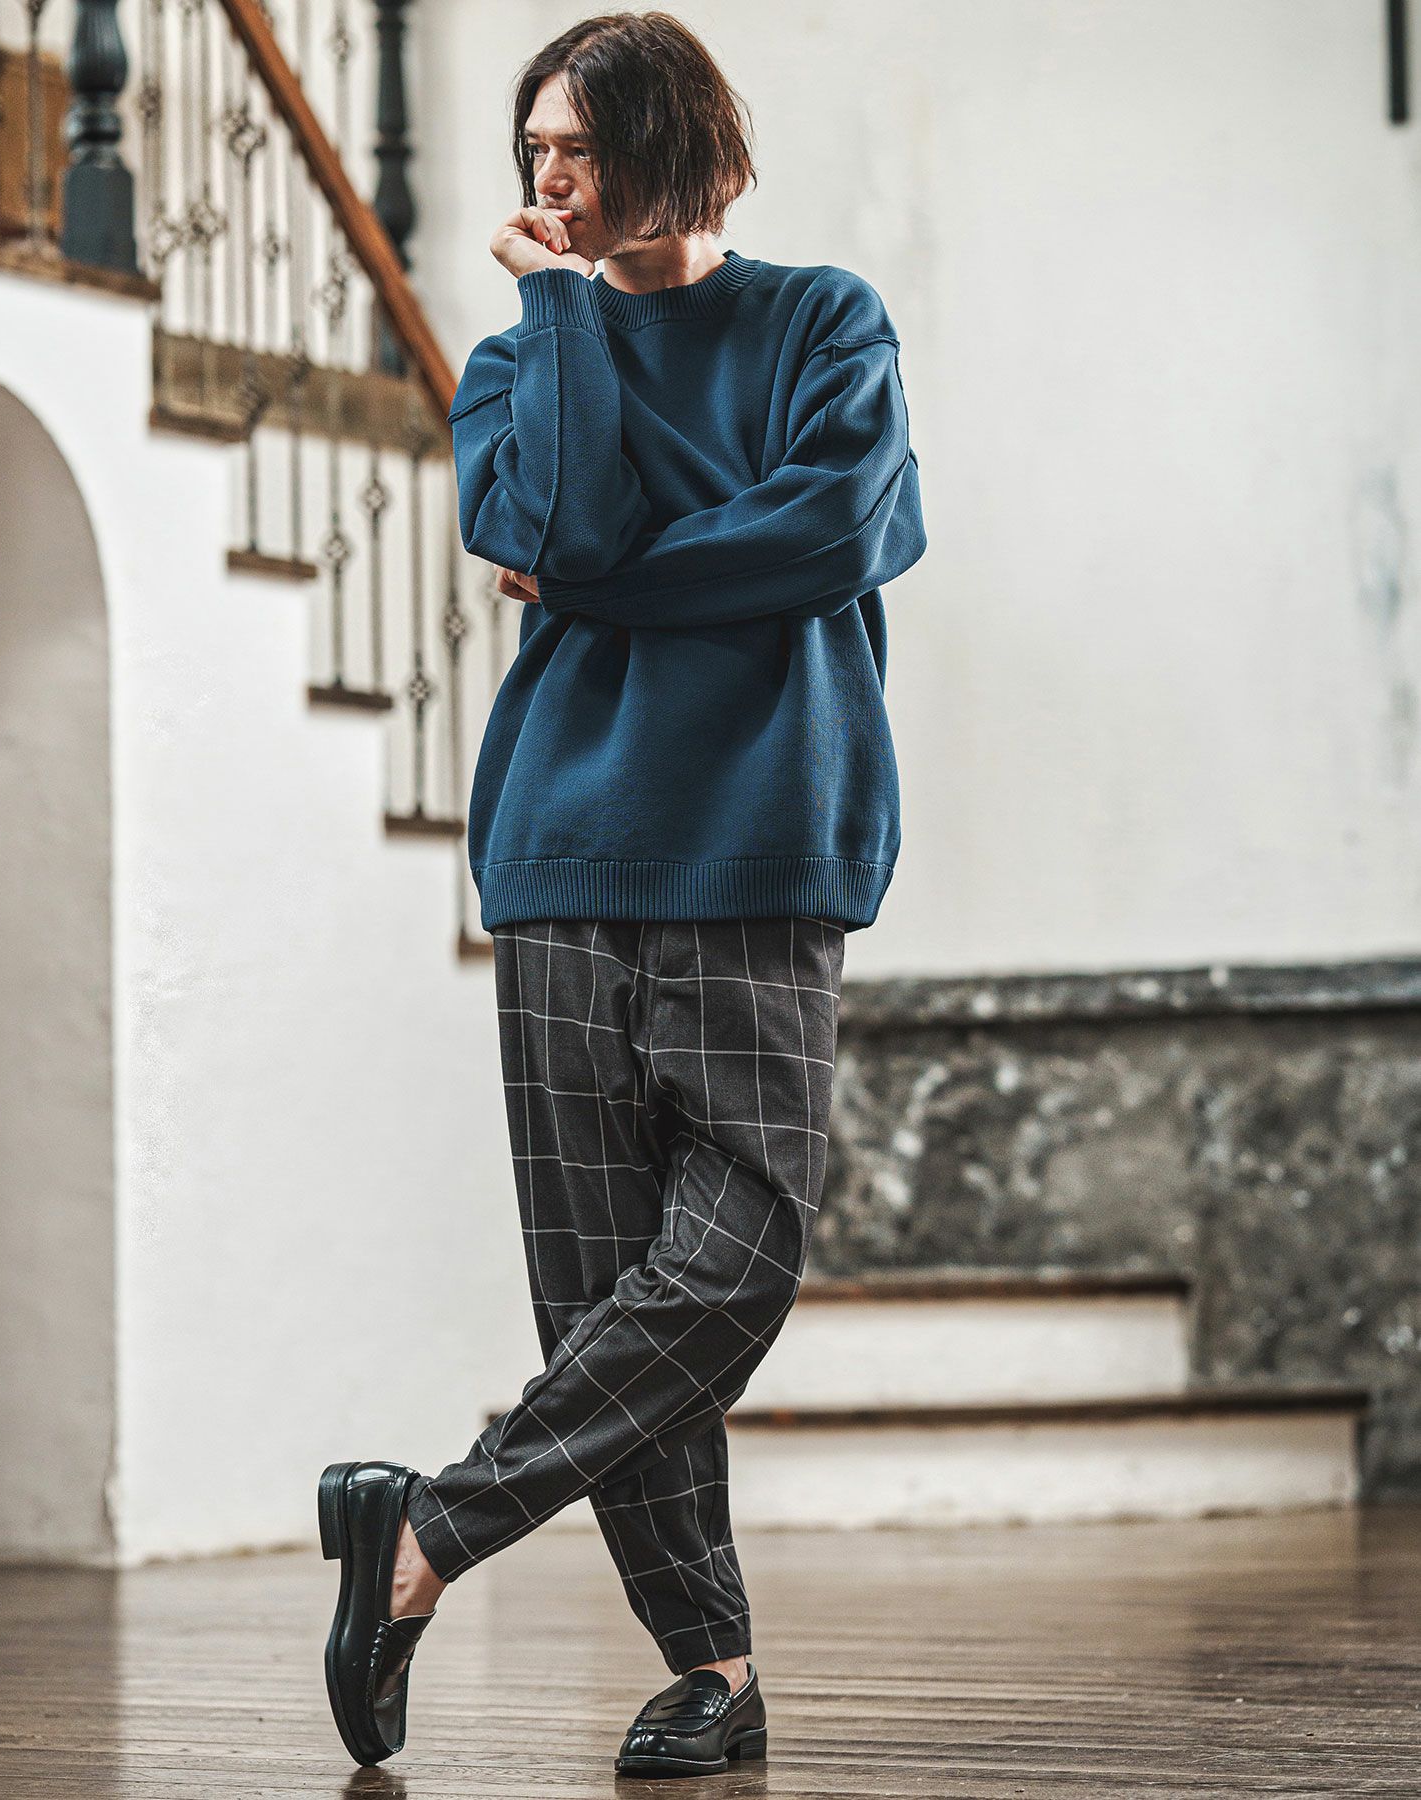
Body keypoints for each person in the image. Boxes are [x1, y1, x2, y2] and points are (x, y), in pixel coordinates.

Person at [317, 7, 926, 1777]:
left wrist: (597, 582)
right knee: (599, 1295)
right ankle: (714, 1668)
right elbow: (557, 526)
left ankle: (427, 1530)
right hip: (566, 854)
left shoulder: (823, 323)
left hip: (759, 843)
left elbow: (834, 532)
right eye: (534, 152)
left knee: (736, 1260)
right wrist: (566, 317)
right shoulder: (526, 352)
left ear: (676, 143)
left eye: (579, 148)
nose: (550, 179)